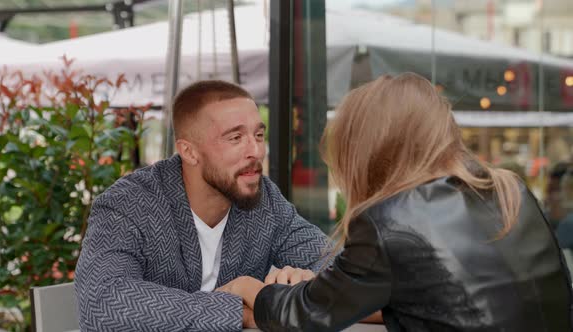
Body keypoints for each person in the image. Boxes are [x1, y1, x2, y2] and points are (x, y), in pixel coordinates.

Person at [218, 73, 573, 331]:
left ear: (371, 149)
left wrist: (243, 286)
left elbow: (305, 316)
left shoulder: (388, 222)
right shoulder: (511, 190)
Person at [74, 80, 330, 331]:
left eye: (259, 135)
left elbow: (336, 263)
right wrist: (246, 305)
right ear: (189, 152)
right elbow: (103, 302)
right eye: (236, 137)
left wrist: (309, 284)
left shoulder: (265, 201)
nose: (256, 151)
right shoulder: (128, 205)